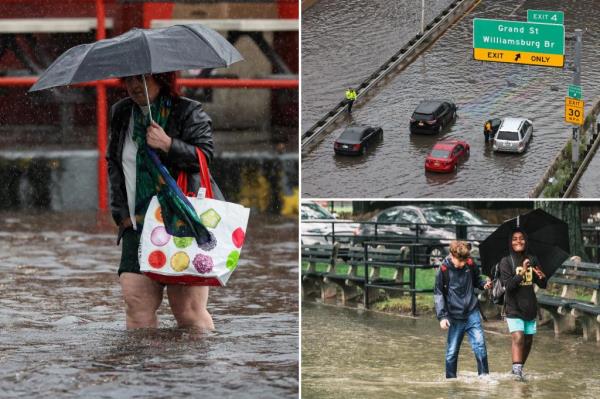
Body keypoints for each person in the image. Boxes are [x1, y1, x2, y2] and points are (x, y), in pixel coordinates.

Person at [107, 72, 219, 331]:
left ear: (162, 78)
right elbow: (113, 163)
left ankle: (194, 369)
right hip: (137, 222)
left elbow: (204, 157)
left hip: (182, 221)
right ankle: (144, 370)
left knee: (188, 311)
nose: (134, 86)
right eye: (129, 79)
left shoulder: (188, 111)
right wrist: (121, 213)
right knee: (137, 306)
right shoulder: (122, 112)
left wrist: (168, 144)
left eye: (143, 79)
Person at [434, 241, 492, 378]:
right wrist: (442, 317)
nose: (462, 264)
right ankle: (451, 380)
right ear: (452, 255)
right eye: (460, 261)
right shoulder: (443, 270)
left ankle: (484, 377)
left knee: (480, 347)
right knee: (452, 352)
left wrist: (484, 284)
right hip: (454, 317)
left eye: (465, 261)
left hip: (472, 312)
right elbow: (438, 294)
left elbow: (477, 280)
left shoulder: (470, 264)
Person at [499, 229, 547, 379]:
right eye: (514, 239)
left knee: (528, 340)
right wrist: (522, 272)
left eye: (521, 238)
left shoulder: (532, 259)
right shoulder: (506, 261)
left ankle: (517, 369)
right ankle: (518, 373)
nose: (518, 241)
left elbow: (543, 284)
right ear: (510, 242)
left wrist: (542, 277)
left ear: (526, 241)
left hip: (530, 306)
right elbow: (509, 286)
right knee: (518, 337)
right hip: (513, 306)